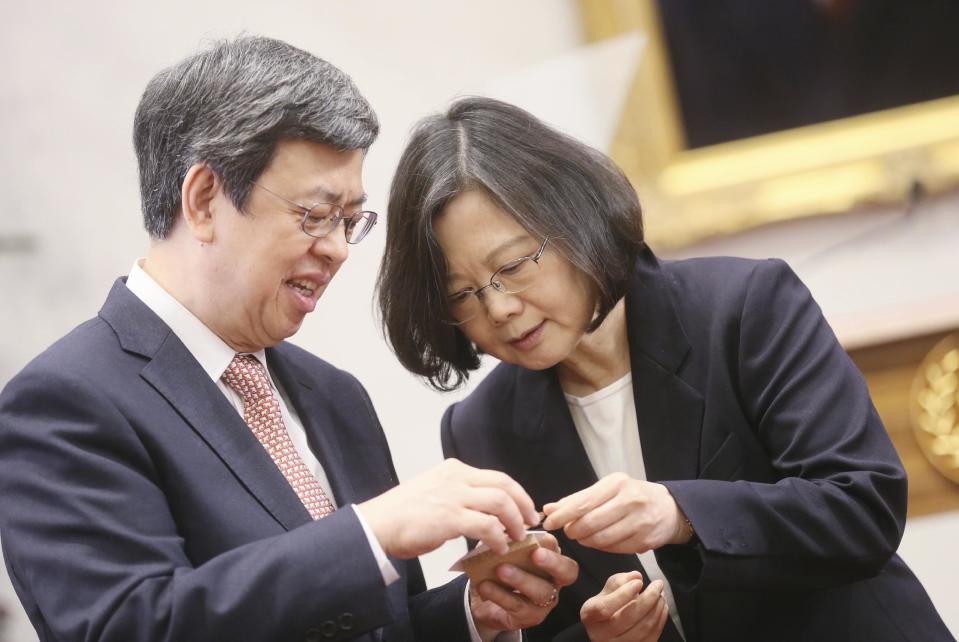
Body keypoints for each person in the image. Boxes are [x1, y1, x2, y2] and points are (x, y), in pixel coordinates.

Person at [0, 39, 579, 642]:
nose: (336, 249)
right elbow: (128, 626)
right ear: (203, 201)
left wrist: (470, 618)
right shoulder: (65, 400)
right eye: (315, 215)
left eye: (350, 221)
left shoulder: (334, 396)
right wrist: (370, 534)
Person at [376, 96, 953, 642]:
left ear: (575, 217)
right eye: (463, 296)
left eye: (515, 264)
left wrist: (681, 514)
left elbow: (863, 507)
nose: (498, 308)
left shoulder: (744, 306)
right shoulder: (482, 428)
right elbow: (539, 622)